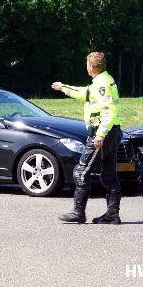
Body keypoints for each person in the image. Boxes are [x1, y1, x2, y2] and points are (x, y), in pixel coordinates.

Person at [52, 52, 123, 224]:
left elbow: (109, 109)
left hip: (103, 133)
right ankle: (112, 215)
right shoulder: (102, 80)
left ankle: (78, 213)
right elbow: (84, 93)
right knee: (109, 176)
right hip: (112, 131)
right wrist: (63, 87)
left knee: (81, 171)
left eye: (87, 65)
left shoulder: (102, 84)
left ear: (91, 66)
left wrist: (100, 134)